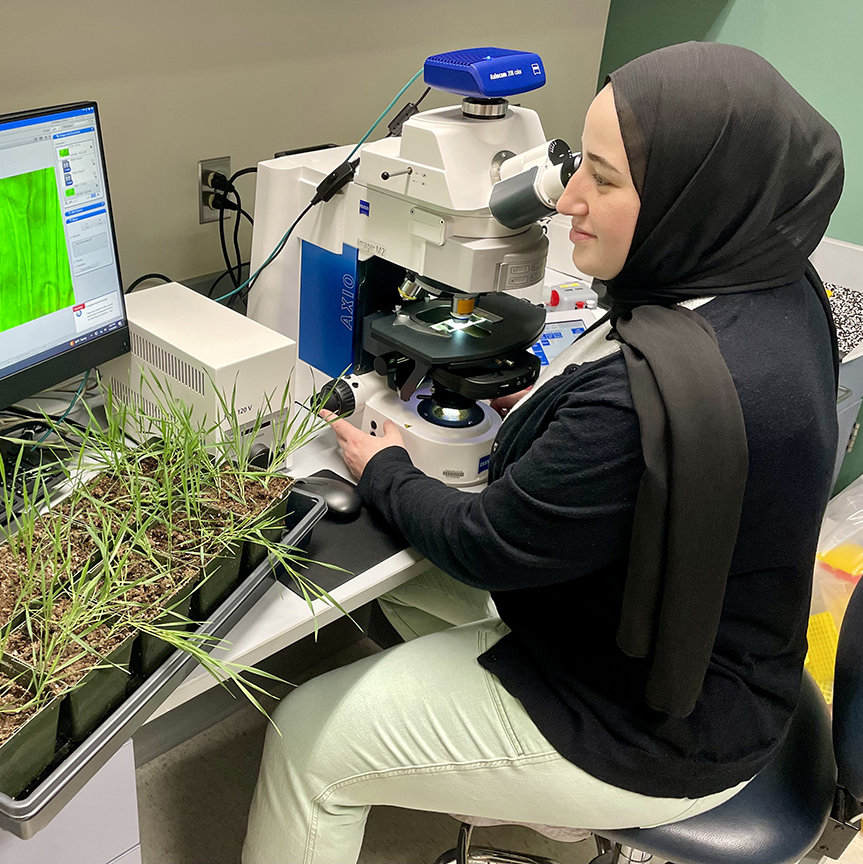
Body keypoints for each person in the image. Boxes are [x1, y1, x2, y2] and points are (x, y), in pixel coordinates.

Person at [242, 41, 844, 864]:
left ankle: (544, 781)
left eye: (603, 176)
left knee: (308, 739)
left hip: (656, 727)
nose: (565, 203)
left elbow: (485, 546)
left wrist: (384, 468)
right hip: (723, 658)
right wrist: (558, 408)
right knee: (403, 601)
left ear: (686, 192)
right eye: (576, 167)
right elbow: (657, 439)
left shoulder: (635, 406)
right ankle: (478, 758)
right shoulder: (780, 286)